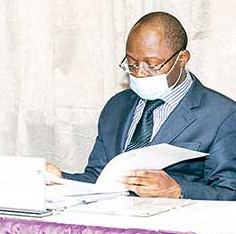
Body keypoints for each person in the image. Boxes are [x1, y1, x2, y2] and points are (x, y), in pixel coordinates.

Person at [47, 12, 236, 200]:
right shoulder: (116, 107)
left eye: (152, 65)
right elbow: (98, 179)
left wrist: (179, 190)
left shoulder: (222, 115)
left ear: (182, 59)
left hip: (175, 226)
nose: (140, 73)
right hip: (114, 224)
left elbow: (229, 192)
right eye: (132, 64)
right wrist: (61, 180)